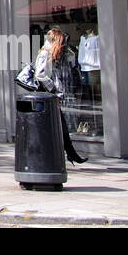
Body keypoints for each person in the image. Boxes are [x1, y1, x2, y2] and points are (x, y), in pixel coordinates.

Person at [33, 26, 86, 164]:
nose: (63, 44)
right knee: (61, 126)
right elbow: (40, 74)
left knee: (63, 127)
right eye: (61, 41)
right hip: (52, 96)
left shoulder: (63, 54)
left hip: (64, 94)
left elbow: (71, 66)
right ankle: (69, 154)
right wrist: (53, 90)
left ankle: (69, 153)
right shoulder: (45, 53)